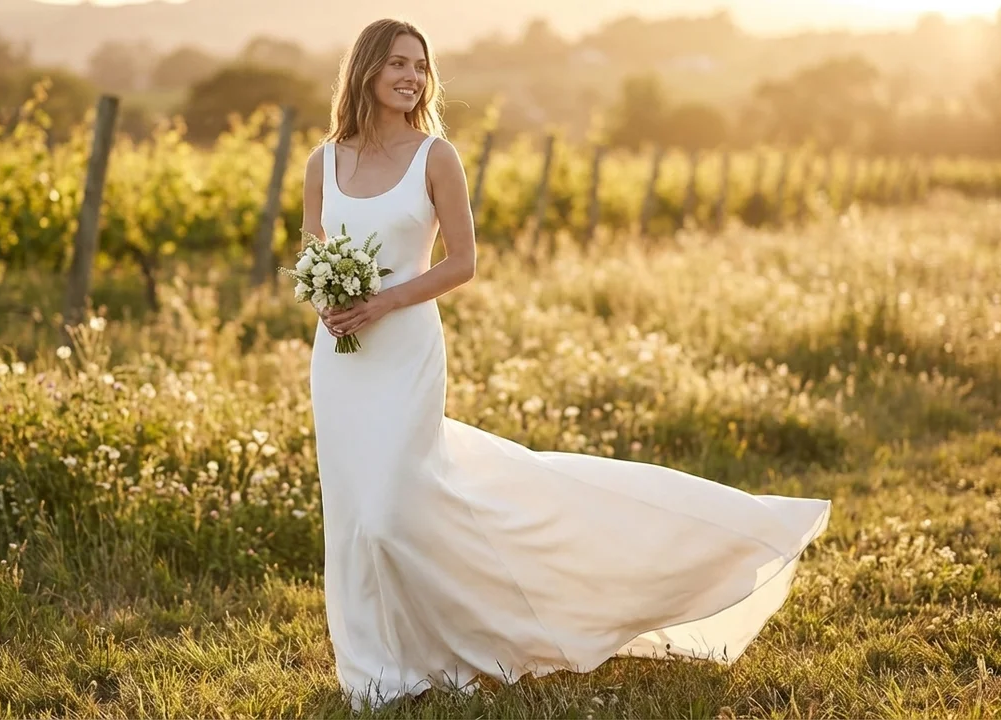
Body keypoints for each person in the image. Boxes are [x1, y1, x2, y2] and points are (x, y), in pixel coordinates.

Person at [303, 17, 831, 712]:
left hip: (404, 352)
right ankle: (374, 671)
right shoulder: (323, 161)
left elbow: (463, 262)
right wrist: (328, 305)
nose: (411, 77)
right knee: (354, 516)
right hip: (341, 363)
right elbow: (315, 258)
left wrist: (384, 302)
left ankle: (488, 630)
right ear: (365, 69)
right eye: (397, 63)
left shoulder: (436, 157)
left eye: (420, 66)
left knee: (393, 512)